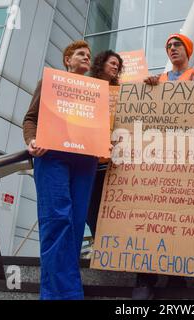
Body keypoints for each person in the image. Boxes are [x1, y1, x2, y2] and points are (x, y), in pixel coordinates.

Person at [133, 33, 194, 300]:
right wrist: (150, 89)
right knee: (151, 215)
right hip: (158, 156)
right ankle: (145, 277)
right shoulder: (158, 80)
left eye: (177, 45)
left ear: (187, 50)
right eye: (168, 46)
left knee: (178, 214)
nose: (172, 48)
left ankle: (177, 277)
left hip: (187, 156)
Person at [23, 40, 102, 300]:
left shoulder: (95, 91)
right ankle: (63, 294)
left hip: (84, 161)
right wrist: (31, 140)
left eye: (88, 55)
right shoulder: (50, 81)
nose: (85, 57)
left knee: (76, 224)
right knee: (57, 220)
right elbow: (30, 118)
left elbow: (99, 128)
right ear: (67, 60)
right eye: (80, 53)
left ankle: (63, 290)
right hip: (53, 156)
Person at [86, 50, 124, 237]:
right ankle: (97, 240)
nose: (115, 66)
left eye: (118, 64)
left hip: (111, 164)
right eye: (112, 62)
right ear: (101, 64)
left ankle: (106, 245)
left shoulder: (122, 94)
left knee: (110, 208)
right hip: (89, 161)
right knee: (90, 208)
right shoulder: (86, 88)